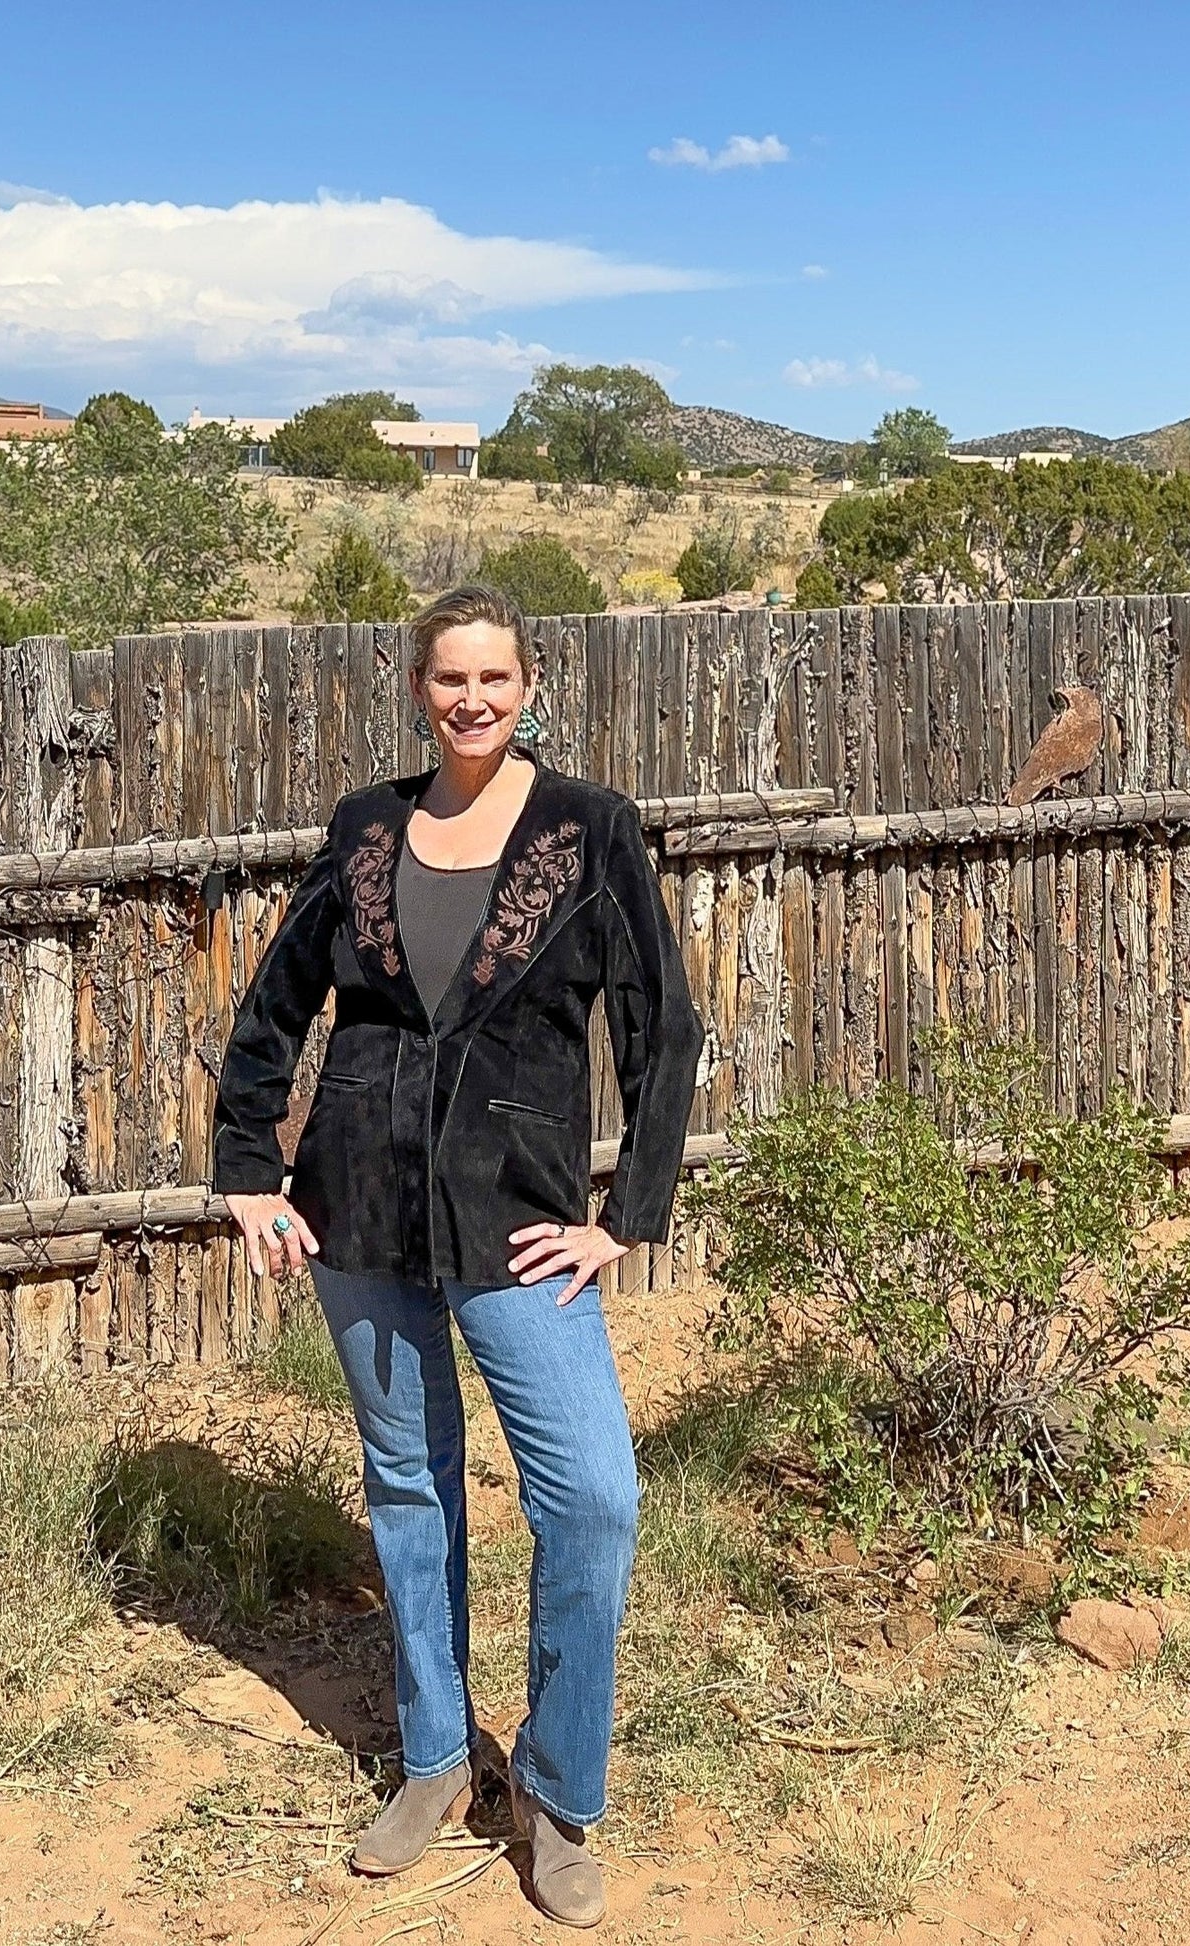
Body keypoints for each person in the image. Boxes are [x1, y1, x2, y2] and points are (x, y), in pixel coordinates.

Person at [212, 585, 704, 1928]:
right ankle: (435, 1755)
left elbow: (664, 1027)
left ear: (528, 682)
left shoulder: (588, 829)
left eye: (493, 675)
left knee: (593, 1499)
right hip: (358, 1213)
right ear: (416, 688)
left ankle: (550, 1785)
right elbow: (273, 1005)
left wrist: (626, 1213)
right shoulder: (366, 826)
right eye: (448, 677)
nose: (471, 698)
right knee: (409, 1487)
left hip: (517, 1220)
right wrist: (249, 1171)